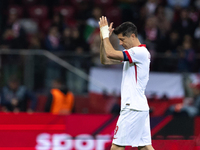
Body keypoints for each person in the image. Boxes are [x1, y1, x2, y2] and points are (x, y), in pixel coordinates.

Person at [99, 16, 154, 150]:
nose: (121, 43)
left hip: (132, 107)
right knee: (145, 147)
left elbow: (111, 53)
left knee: (116, 147)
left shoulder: (139, 52)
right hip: (139, 107)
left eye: (122, 40)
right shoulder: (136, 54)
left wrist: (106, 35)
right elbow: (105, 60)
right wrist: (103, 39)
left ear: (133, 36)